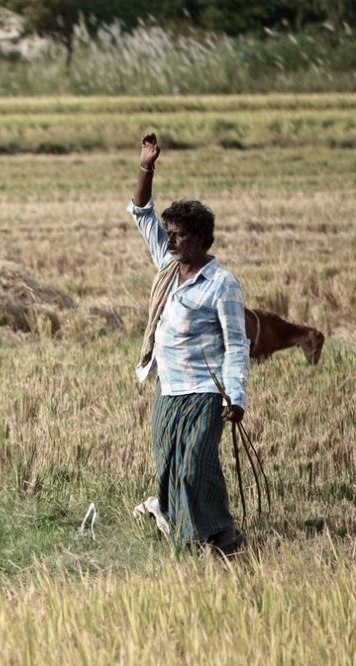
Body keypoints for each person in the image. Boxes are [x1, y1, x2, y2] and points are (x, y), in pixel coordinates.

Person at [127, 133, 250, 555]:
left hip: (204, 390)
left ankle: (208, 535)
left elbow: (236, 345)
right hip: (169, 388)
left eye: (178, 234)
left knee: (195, 466)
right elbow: (141, 212)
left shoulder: (221, 284)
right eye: (169, 233)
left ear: (200, 238)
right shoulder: (168, 266)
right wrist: (147, 165)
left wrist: (236, 396)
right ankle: (210, 536)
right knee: (171, 466)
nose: (170, 239)